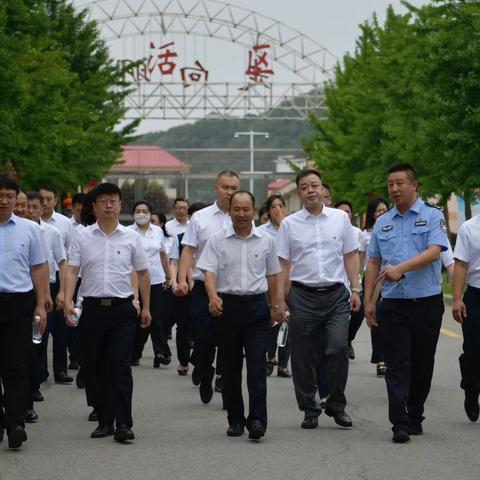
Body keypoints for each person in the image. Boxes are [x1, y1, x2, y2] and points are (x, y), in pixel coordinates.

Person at [364, 163, 448, 444]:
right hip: (394, 304)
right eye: (390, 184)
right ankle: (399, 422)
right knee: (397, 364)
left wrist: (402, 268)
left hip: (426, 302)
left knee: (423, 363)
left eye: (400, 183)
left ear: (414, 185)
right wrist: (369, 301)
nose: (395, 188)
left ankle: (415, 414)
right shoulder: (383, 222)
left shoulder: (433, 216)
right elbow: (374, 262)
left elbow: (435, 251)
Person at [64, 183, 152, 443]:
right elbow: (71, 270)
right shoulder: (82, 236)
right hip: (92, 308)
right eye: (103, 201)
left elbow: (144, 273)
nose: (109, 205)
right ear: (95, 206)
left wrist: (145, 306)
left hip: (123, 309)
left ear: (120, 205)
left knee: (120, 365)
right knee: (94, 365)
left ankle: (124, 423)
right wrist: (67, 299)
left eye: (113, 201)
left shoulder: (131, 237)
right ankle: (105, 419)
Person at [276, 169, 361, 430]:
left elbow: (350, 255)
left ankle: (336, 405)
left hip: (336, 295)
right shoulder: (290, 224)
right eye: (304, 187)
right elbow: (283, 264)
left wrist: (355, 289)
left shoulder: (340, 219)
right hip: (302, 295)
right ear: (299, 192)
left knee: (337, 348)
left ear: (323, 189)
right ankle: (309, 408)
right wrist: (280, 300)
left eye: (314, 185)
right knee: (302, 355)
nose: (310, 190)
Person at [197, 191, 281, 441]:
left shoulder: (266, 240)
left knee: (256, 368)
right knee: (230, 368)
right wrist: (212, 297)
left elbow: (273, 276)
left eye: (246, 209)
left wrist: (276, 307)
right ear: (229, 211)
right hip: (226, 307)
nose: (241, 214)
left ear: (254, 211)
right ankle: (235, 419)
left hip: (256, 307)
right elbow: (209, 272)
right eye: (236, 209)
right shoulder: (217, 239)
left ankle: (257, 421)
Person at [175, 171, 240, 404]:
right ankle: (203, 368)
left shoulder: (243, 217)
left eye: (234, 187)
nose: (230, 192)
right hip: (203, 287)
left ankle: (222, 375)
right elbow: (189, 250)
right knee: (203, 337)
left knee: (229, 338)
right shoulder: (201, 218)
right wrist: (182, 279)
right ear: (216, 188)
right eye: (226, 187)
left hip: (232, 288)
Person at [0, 174, 48, 449]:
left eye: (9, 196)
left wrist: (41, 304)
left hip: (19, 304)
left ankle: (16, 422)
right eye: (0, 195)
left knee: (16, 365)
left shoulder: (29, 230)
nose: (4, 201)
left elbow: (39, 268)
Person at [24, 192, 67, 408]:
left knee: (39, 337)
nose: (30, 211)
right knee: (25, 342)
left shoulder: (52, 232)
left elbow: (62, 262)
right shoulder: (19, 230)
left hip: (46, 288)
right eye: (27, 207)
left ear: (43, 209)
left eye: (34, 207)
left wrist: (60, 292)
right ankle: (28, 387)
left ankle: (36, 382)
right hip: (22, 289)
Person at [129, 201, 171, 368]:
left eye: (144, 211)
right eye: (138, 211)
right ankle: (135, 353)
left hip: (156, 280)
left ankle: (161, 352)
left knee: (158, 317)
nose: (141, 214)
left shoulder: (158, 231)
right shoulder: (128, 232)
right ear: (133, 214)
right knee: (140, 318)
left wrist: (169, 276)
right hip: (134, 282)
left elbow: (162, 256)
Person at [169, 202, 208, 376]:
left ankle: (200, 360)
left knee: (203, 327)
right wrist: (176, 282)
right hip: (184, 287)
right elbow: (174, 261)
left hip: (204, 286)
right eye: (194, 216)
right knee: (183, 326)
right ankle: (184, 361)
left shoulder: (214, 237)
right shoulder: (180, 238)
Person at [258, 194, 291, 378]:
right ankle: (270, 356)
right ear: (268, 212)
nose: (278, 209)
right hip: (269, 281)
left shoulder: (291, 227)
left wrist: (284, 224)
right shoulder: (262, 231)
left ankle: (284, 363)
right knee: (272, 320)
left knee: (288, 321)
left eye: (281, 205)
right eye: (274, 206)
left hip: (289, 281)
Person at [452, 211, 480, 422]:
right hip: (476, 295)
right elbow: (461, 264)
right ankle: (471, 389)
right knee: (473, 349)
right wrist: (457, 298)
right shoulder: (469, 228)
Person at [358, 197, 389, 376]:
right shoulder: (365, 234)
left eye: (385, 209)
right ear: (372, 214)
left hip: (392, 277)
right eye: (378, 210)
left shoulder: (393, 228)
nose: (382, 213)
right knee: (376, 315)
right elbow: (362, 259)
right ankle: (381, 359)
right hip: (372, 279)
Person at [335, 200, 364, 361]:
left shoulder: (356, 232)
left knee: (358, 313)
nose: (346, 214)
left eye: (348, 211)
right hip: (336, 283)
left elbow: (356, 257)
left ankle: (348, 340)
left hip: (352, 280)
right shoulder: (328, 228)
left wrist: (356, 285)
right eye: (342, 211)